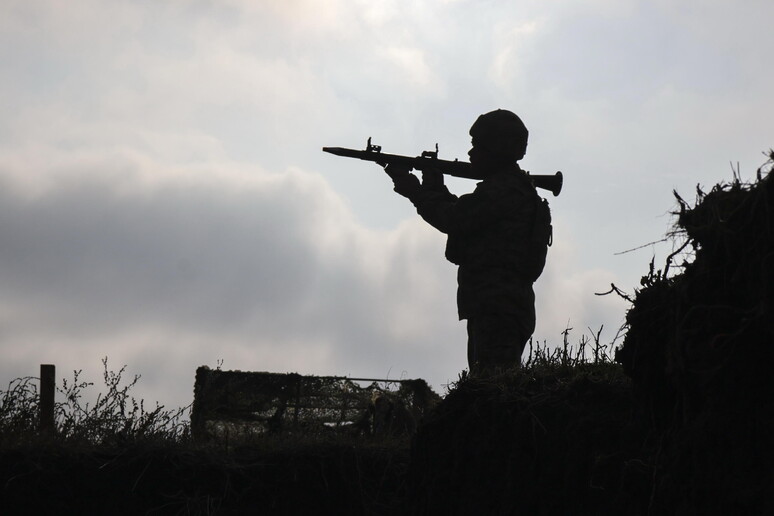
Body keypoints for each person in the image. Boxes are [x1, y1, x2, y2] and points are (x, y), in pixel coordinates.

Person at [384, 109, 551, 375]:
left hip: (497, 305)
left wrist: (417, 190)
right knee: (488, 380)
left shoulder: (505, 190)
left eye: (478, 145)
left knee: (492, 383)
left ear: (497, 148)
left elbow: (453, 219)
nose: (471, 153)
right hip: (500, 304)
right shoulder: (511, 188)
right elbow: (465, 215)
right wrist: (432, 186)